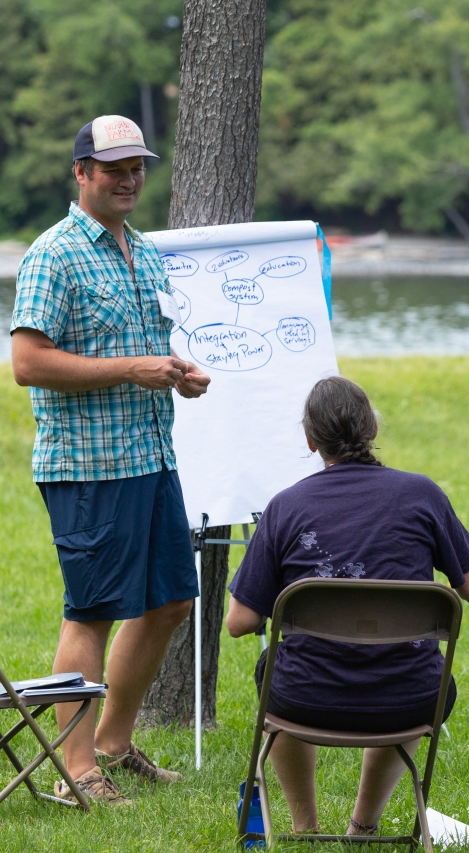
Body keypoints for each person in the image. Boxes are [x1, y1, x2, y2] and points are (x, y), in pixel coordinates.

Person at [226, 376, 469, 836]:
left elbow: (240, 622)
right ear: (373, 431)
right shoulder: (422, 495)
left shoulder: (285, 507)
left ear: (310, 440)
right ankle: (363, 827)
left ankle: (305, 827)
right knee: (404, 666)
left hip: (305, 698)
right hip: (409, 699)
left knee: (273, 668)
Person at [8, 115, 212, 805]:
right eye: (114, 166)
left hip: (150, 456)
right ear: (81, 173)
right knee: (91, 610)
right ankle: (74, 769)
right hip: (88, 466)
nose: (129, 177)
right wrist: (132, 367)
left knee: (171, 602)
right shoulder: (53, 255)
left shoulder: (144, 252)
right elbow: (28, 363)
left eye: (137, 165)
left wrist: (177, 372)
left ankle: (113, 743)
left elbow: (142, 349)